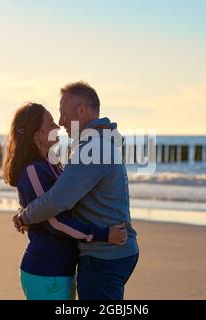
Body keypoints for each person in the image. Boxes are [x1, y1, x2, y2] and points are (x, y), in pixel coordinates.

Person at [13, 82, 139, 300]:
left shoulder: (92, 148)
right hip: (108, 252)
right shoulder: (99, 143)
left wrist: (25, 217)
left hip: (104, 254)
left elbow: (57, 201)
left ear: (80, 110)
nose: (61, 122)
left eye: (62, 113)